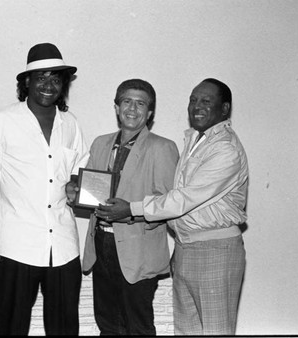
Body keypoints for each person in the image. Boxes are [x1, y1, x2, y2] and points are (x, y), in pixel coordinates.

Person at [96, 78, 248, 335]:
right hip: (187, 246)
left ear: (225, 109)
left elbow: (180, 199)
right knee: (187, 331)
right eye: (193, 100)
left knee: (215, 330)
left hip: (216, 250)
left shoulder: (225, 149)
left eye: (206, 101)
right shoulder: (197, 141)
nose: (196, 106)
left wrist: (131, 209)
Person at [0, 43, 89, 335]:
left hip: (63, 246)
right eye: (41, 77)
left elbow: (78, 173)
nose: (49, 85)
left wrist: (77, 187)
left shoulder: (71, 124)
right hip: (16, 245)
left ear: (63, 85)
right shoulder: (2, 121)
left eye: (55, 78)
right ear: (27, 82)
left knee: (64, 328)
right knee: (12, 327)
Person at [75, 79, 179, 335]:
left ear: (150, 112)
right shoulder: (101, 143)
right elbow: (93, 190)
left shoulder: (162, 147)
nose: (132, 109)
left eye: (140, 103)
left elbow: (168, 203)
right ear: (116, 107)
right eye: (126, 101)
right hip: (101, 246)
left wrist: (130, 211)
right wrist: (75, 191)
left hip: (139, 250)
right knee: (108, 324)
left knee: (137, 326)